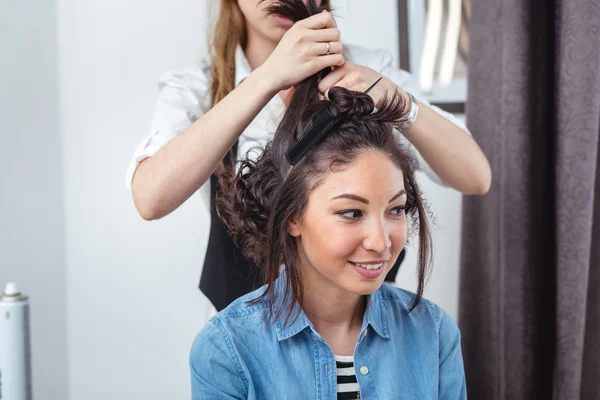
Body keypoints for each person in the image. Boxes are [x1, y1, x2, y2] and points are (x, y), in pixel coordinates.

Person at [126, 0, 491, 312]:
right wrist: (267, 78)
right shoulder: (197, 88)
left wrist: (398, 102)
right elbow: (150, 197)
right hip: (246, 347)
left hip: (365, 338)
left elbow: (476, 175)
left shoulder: (370, 70)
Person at [189, 46, 466, 397]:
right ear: (292, 216)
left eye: (395, 209)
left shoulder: (435, 334)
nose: (381, 243)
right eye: (351, 213)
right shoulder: (226, 351)